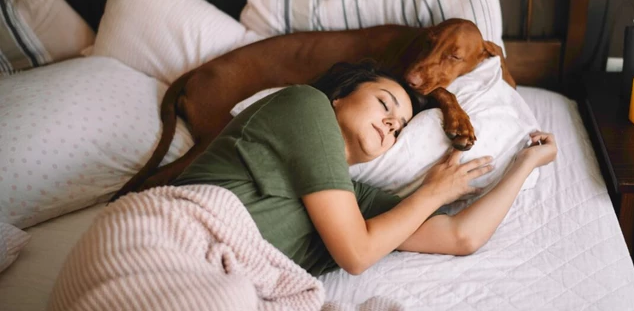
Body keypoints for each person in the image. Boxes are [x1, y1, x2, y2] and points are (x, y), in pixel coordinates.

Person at [172, 60, 558, 276]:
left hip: (220, 284)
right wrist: (433, 193)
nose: (392, 123)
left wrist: (525, 164)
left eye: (401, 128)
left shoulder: (355, 206)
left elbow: (462, 236)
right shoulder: (304, 105)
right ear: (340, 97)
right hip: (175, 236)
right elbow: (356, 254)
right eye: (385, 103)